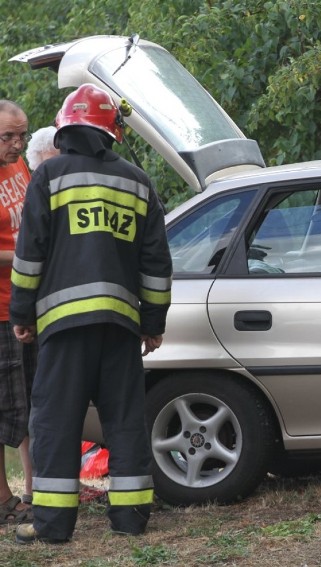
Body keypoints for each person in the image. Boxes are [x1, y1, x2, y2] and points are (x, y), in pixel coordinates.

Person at [10, 83, 172, 544]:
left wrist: (22, 312)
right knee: (124, 422)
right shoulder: (138, 182)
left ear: (65, 130)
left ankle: (53, 526)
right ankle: (131, 519)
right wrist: (153, 323)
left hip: (62, 328)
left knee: (57, 423)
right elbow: (157, 262)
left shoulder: (50, 176)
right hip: (121, 327)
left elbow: (30, 254)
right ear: (110, 132)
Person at [0, 100, 34, 527]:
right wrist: (25, 257)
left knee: (30, 401)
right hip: (1, 307)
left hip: (25, 302)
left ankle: (34, 489)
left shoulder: (18, 165)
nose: (16, 144)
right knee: (6, 407)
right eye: (8, 137)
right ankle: (4, 499)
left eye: (22, 135)